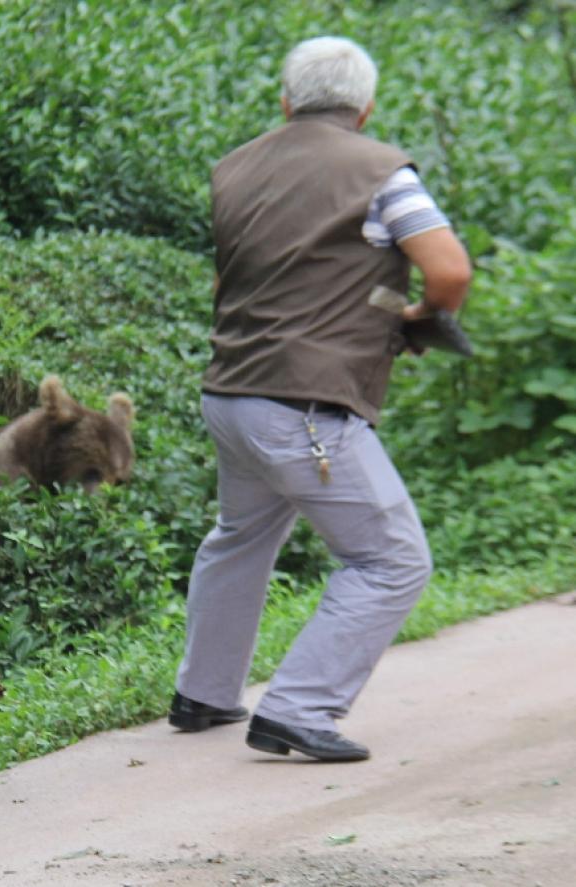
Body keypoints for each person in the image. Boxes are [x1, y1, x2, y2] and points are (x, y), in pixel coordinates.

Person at [168, 36, 472, 761]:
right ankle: (300, 708)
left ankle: (203, 692)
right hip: (303, 405)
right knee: (392, 558)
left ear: (286, 102)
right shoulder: (381, 171)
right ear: (364, 108)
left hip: (231, 393)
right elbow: (450, 270)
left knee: (240, 535)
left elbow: (235, 280)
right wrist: (418, 320)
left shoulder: (235, 168)